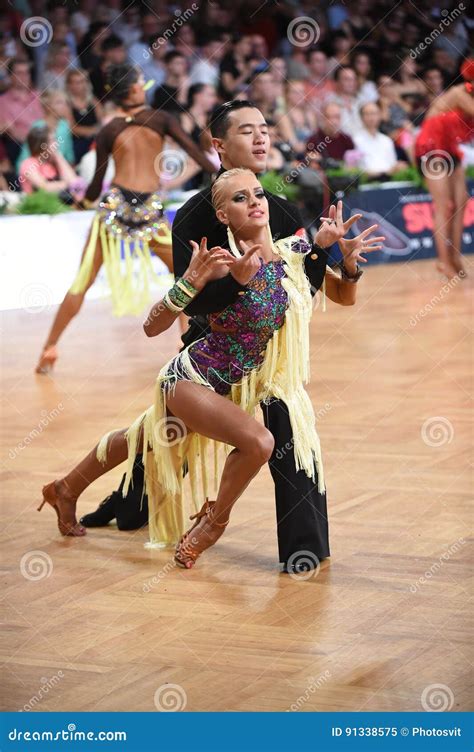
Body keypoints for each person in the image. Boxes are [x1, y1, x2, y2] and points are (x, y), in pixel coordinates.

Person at [80, 100, 381, 572]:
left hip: (271, 359)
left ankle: (303, 550)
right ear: (218, 146)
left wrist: (343, 263)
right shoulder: (196, 217)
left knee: (290, 428)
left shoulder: (281, 212)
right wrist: (237, 283)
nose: (262, 138)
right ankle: (121, 503)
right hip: (212, 353)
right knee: (160, 436)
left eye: (265, 128)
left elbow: (323, 288)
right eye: (247, 131)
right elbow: (190, 306)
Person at [35, 64, 217, 375]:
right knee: (186, 275)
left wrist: (82, 202)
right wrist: (222, 173)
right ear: (134, 89)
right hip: (148, 210)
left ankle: (49, 347)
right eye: (140, 84)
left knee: (84, 279)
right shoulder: (161, 119)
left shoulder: (109, 129)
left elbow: (95, 184)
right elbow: (199, 157)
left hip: (113, 209)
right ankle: (186, 344)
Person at [415, 58, 474, 280]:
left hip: (451, 148)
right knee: (443, 206)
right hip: (431, 148)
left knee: (461, 202)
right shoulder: (460, 93)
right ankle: (443, 261)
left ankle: (455, 255)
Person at [0, 59, 43, 165]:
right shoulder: (3, 101)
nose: (24, 76)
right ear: (10, 76)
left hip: (48, 143)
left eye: (26, 72)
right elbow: (11, 132)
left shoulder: (39, 96)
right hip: (22, 148)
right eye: (19, 73)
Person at [18, 124, 79, 195]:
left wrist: (58, 157)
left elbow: (75, 182)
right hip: (38, 204)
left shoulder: (53, 161)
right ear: (41, 145)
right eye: (52, 140)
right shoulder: (28, 164)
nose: (56, 143)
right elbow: (45, 188)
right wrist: (68, 183)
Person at [354, 102, 406, 180]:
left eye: (374, 113)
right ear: (361, 117)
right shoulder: (355, 140)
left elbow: (393, 164)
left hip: (389, 180)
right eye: (367, 114)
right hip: (366, 182)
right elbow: (354, 168)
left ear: (379, 116)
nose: (371, 117)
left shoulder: (386, 140)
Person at [65, 68, 104, 163]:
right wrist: (93, 131)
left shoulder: (94, 100)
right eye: (77, 82)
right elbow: (71, 128)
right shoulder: (66, 103)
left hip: (95, 139)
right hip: (77, 143)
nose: (82, 85)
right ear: (69, 85)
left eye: (83, 81)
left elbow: (103, 120)